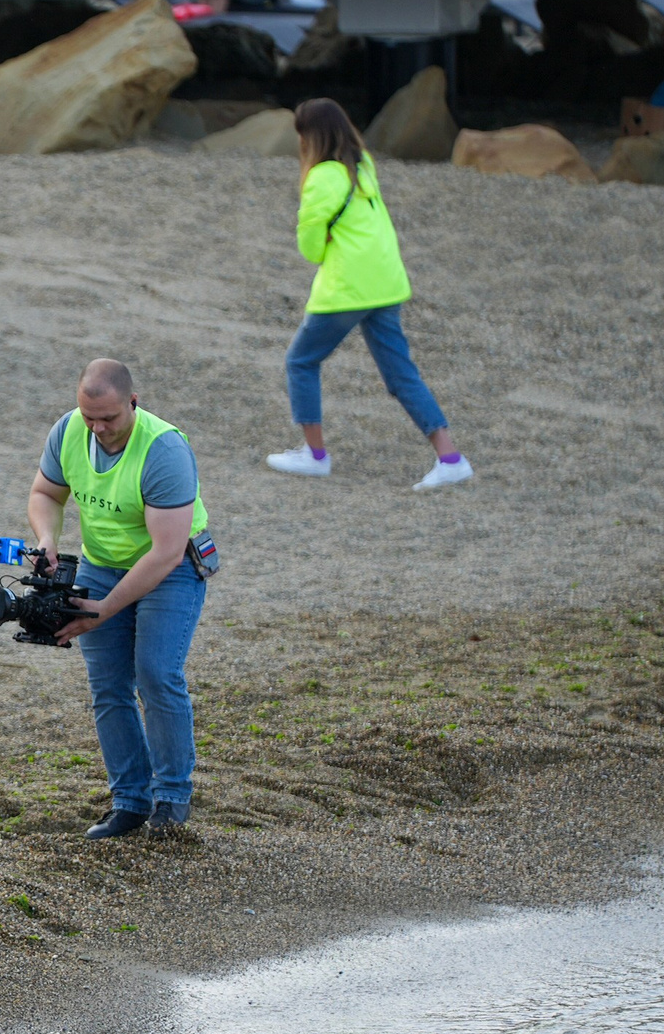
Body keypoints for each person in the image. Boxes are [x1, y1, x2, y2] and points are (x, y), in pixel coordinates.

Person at [28, 359, 216, 840]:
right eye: (89, 416)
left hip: (171, 568)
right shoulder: (69, 430)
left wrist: (104, 610)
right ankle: (130, 802)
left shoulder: (164, 449)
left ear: (133, 402)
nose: (98, 428)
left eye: (109, 418)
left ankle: (171, 801)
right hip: (101, 562)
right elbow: (46, 492)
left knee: (156, 673)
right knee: (109, 684)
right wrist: (47, 539)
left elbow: (166, 552)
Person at [263, 97, 471, 490]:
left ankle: (315, 455)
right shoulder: (363, 166)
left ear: (309, 136)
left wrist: (324, 240)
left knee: (301, 362)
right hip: (386, 284)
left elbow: (310, 249)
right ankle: (449, 457)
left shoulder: (322, 176)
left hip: (348, 289)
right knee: (400, 374)